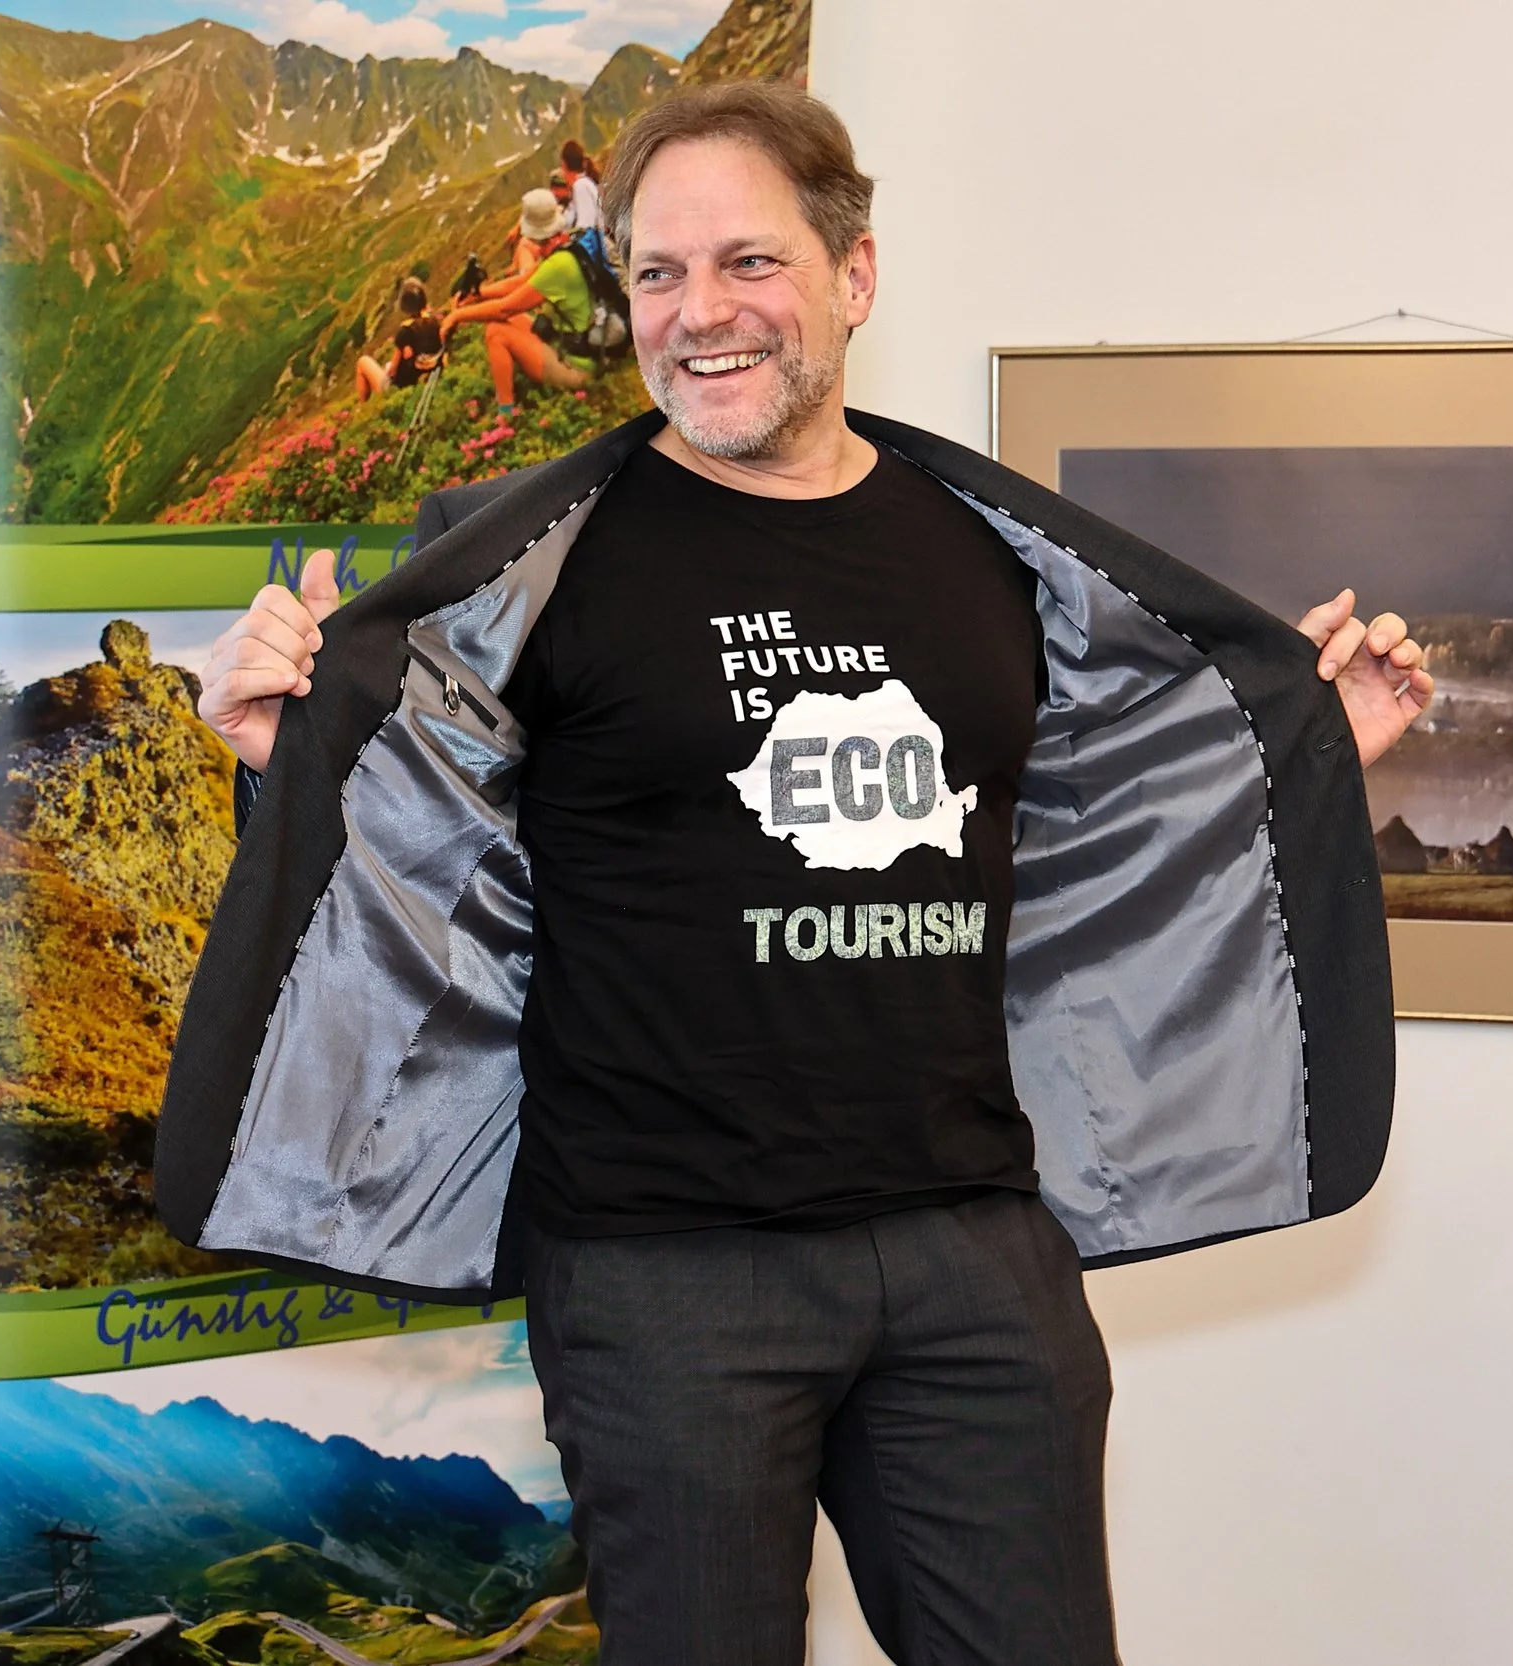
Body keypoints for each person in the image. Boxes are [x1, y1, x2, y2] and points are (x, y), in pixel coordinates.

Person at [166, 81, 1432, 1666]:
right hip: (664, 1273)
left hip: (973, 1254)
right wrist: (275, 751)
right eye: (658, 274)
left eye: (749, 264)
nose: (700, 316)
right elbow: (426, 853)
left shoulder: (987, 550)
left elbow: (1079, 837)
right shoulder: (524, 562)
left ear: (856, 275)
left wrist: (1297, 759)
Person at [438, 210, 596, 414]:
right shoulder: (568, 249)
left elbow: (505, 309)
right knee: (509, 321)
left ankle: (506, 414)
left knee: (496, 332)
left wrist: (456, 315)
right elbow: (522, 282)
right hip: (585, 346)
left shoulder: (556, 266)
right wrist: (478, 295)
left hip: (578, 368)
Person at [351, 276, 443, 401]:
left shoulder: (405, 332)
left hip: (398, 390)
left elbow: (393, 371)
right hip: (424, 377)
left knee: (363, 362)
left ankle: (363, 407)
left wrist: (389, 369)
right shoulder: (435, 322)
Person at [560, 137, 608, 269]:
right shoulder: (584, 184)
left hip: (596, 259)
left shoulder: (581, 187)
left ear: (564, 165)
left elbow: (586, 229)